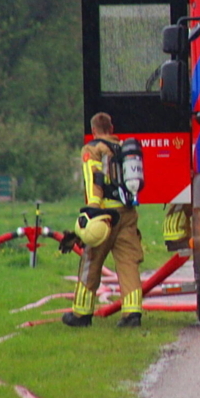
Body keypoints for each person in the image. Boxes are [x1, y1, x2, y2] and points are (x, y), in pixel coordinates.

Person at [63, 112, 145, 328]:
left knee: (91, 262)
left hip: (104, 215)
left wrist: (92, 211)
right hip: (127, 214)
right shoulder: (123, 148)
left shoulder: (92, 149)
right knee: (128, 262)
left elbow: (94, 179)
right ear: (111, 128)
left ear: (93, 130)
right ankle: (132, 313)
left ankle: (81, 314)